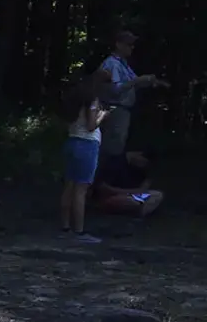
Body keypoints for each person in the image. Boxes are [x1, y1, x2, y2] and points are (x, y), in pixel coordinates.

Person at [59, 71, 114, 244]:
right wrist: (103, 115)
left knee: (69, 186)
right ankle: (79, 232)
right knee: (81, 190)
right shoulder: (93, 100)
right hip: (87, 145)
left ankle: (65, 227)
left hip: (72, 142)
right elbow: (91, 126)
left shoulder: (74, 99)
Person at [97, 29, 170, 157]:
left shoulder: (123, 65)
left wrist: (153, 81)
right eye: (128, 44)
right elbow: (115, 90)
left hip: (123, 111)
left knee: (118, 145)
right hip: (115, 110)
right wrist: (137, 81)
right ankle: (105, 174)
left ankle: (110, 173)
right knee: (112, 148)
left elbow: (135, 82)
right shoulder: (112, 64)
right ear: (118, 44)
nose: (132, 47)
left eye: (132, 44)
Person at [93, 150, 164, 218]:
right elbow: (102, 187)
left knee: (157, 194)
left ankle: (141, 213)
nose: (143, 165)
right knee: (132, 201)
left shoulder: (142, 169)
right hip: (112, 197)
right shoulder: (115, 163)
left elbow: (144, 188)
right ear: (139, 155)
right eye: (144, 162)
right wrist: (126, 192)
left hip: (135, 196)